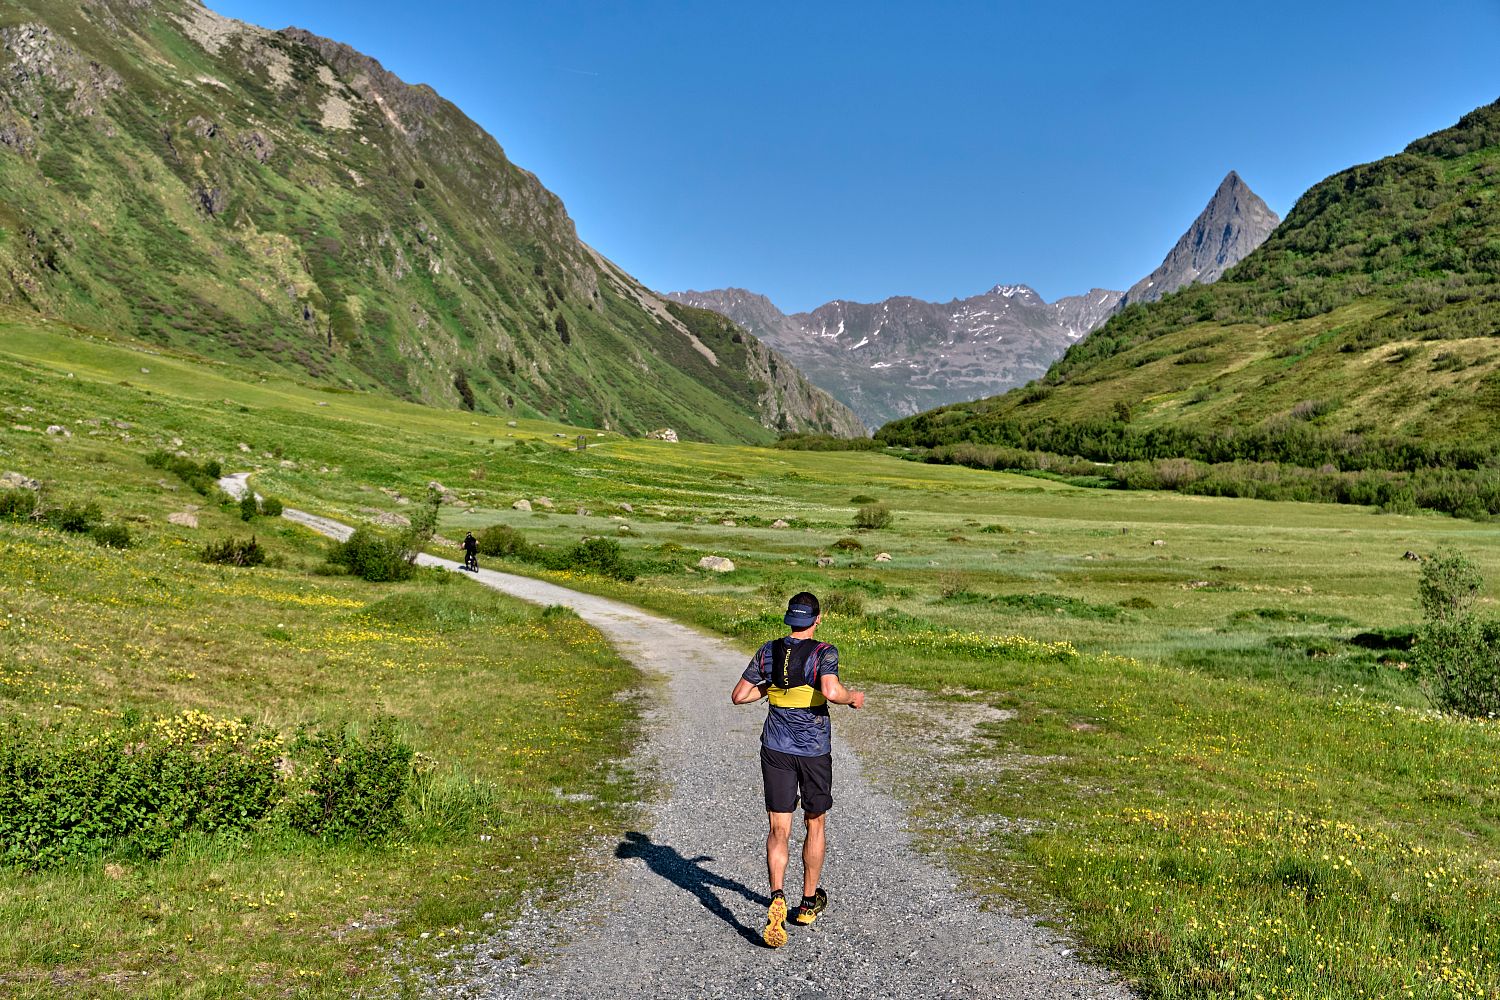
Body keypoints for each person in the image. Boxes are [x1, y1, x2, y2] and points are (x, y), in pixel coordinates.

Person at [730, 591, 865, 948]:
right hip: (813, 752)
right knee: (814, 822)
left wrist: (773, 688)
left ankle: (777, 895)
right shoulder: (824, 652)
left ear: (789, 618)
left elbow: (740, 695)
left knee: (779, 828)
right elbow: (831, 691)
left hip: (775, 749)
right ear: (817, 619)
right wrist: (853, 698)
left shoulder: (768, 651)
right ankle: (807, 904)